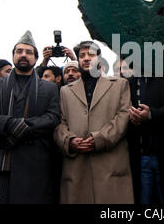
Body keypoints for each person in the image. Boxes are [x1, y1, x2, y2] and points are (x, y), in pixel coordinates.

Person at [0, 30, 60, 204]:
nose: (23, 55)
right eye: (19, 51)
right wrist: (10, 124)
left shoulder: (49, 88)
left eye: (29, 52)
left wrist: (24, 126)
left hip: (35, 163)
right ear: (13, 56)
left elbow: (52, 118)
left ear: (36, 59)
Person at [54, 40, 134, 204]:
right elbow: (58, 122)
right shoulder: (65, 91)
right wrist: (69, 141)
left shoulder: (119, 84)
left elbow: (124, 116)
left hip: (109, 164)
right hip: (77, 166)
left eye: (91, 54)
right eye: (82, 55)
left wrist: (100, 139)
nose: (86, 58)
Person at [127, 76, 164, 204]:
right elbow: (121, 111)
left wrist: (151, 114)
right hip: (140, 157)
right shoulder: (128, 83)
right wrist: (132, 119)